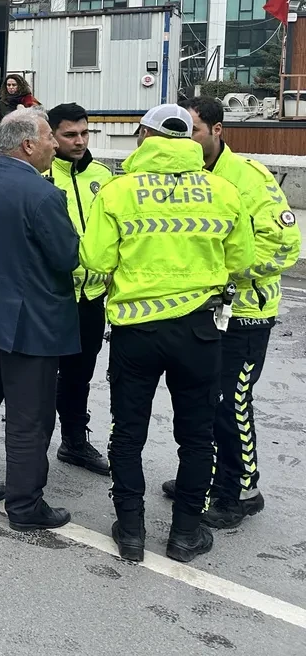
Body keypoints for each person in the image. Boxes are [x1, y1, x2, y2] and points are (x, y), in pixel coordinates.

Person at [81, 104, 253, 563]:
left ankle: (131, 531)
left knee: (127, 433)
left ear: (144, 137)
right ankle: (185, 535)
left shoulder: (118, 191)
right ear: (189, 140)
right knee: (197, 436)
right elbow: (241, 260)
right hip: (199, 331)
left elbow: (96, 260)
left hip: (136, 331)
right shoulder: (223, 191)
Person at [160, 97, 301, 528]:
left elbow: (284, 246)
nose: (185, 140)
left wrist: (222, 270)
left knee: (230, 401)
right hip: (201, 310)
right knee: (202, 399)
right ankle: (209, 478)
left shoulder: (248, 178)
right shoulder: (183, 176)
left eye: (194, 130)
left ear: (217, 130)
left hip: (245, 312)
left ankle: (241, 491)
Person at [0, 108, 79, 531]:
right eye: (49, 138)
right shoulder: (43, 194)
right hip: (30, 322)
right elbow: (66, 257)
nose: (55, 145)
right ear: (28, 144)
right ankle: (25, 507)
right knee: (29, 418)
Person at [45, 103, 115, 476]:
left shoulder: (103, 175)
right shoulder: (42, 175)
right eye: (70, 134)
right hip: (53, 296)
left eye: (85, 133)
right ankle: (31, 448)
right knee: (41, 376)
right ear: (52, 135)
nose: (79, 141)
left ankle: (73, 441)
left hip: (92, 296)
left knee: (79, 375)